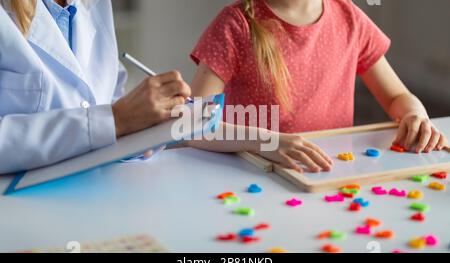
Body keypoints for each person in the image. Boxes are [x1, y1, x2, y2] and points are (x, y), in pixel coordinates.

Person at [188, 0, 448, 173]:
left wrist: (415, 114)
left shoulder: (350, 18)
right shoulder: (236, 23)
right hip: (251, 173)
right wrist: (267, 142)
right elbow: (192, 126)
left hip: (328, 172)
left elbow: (397, 97)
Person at [0, 0, 191, 174]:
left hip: (96, 189)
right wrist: (115, 121)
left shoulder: (94, 4)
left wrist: (140, 127)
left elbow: (108, 92)